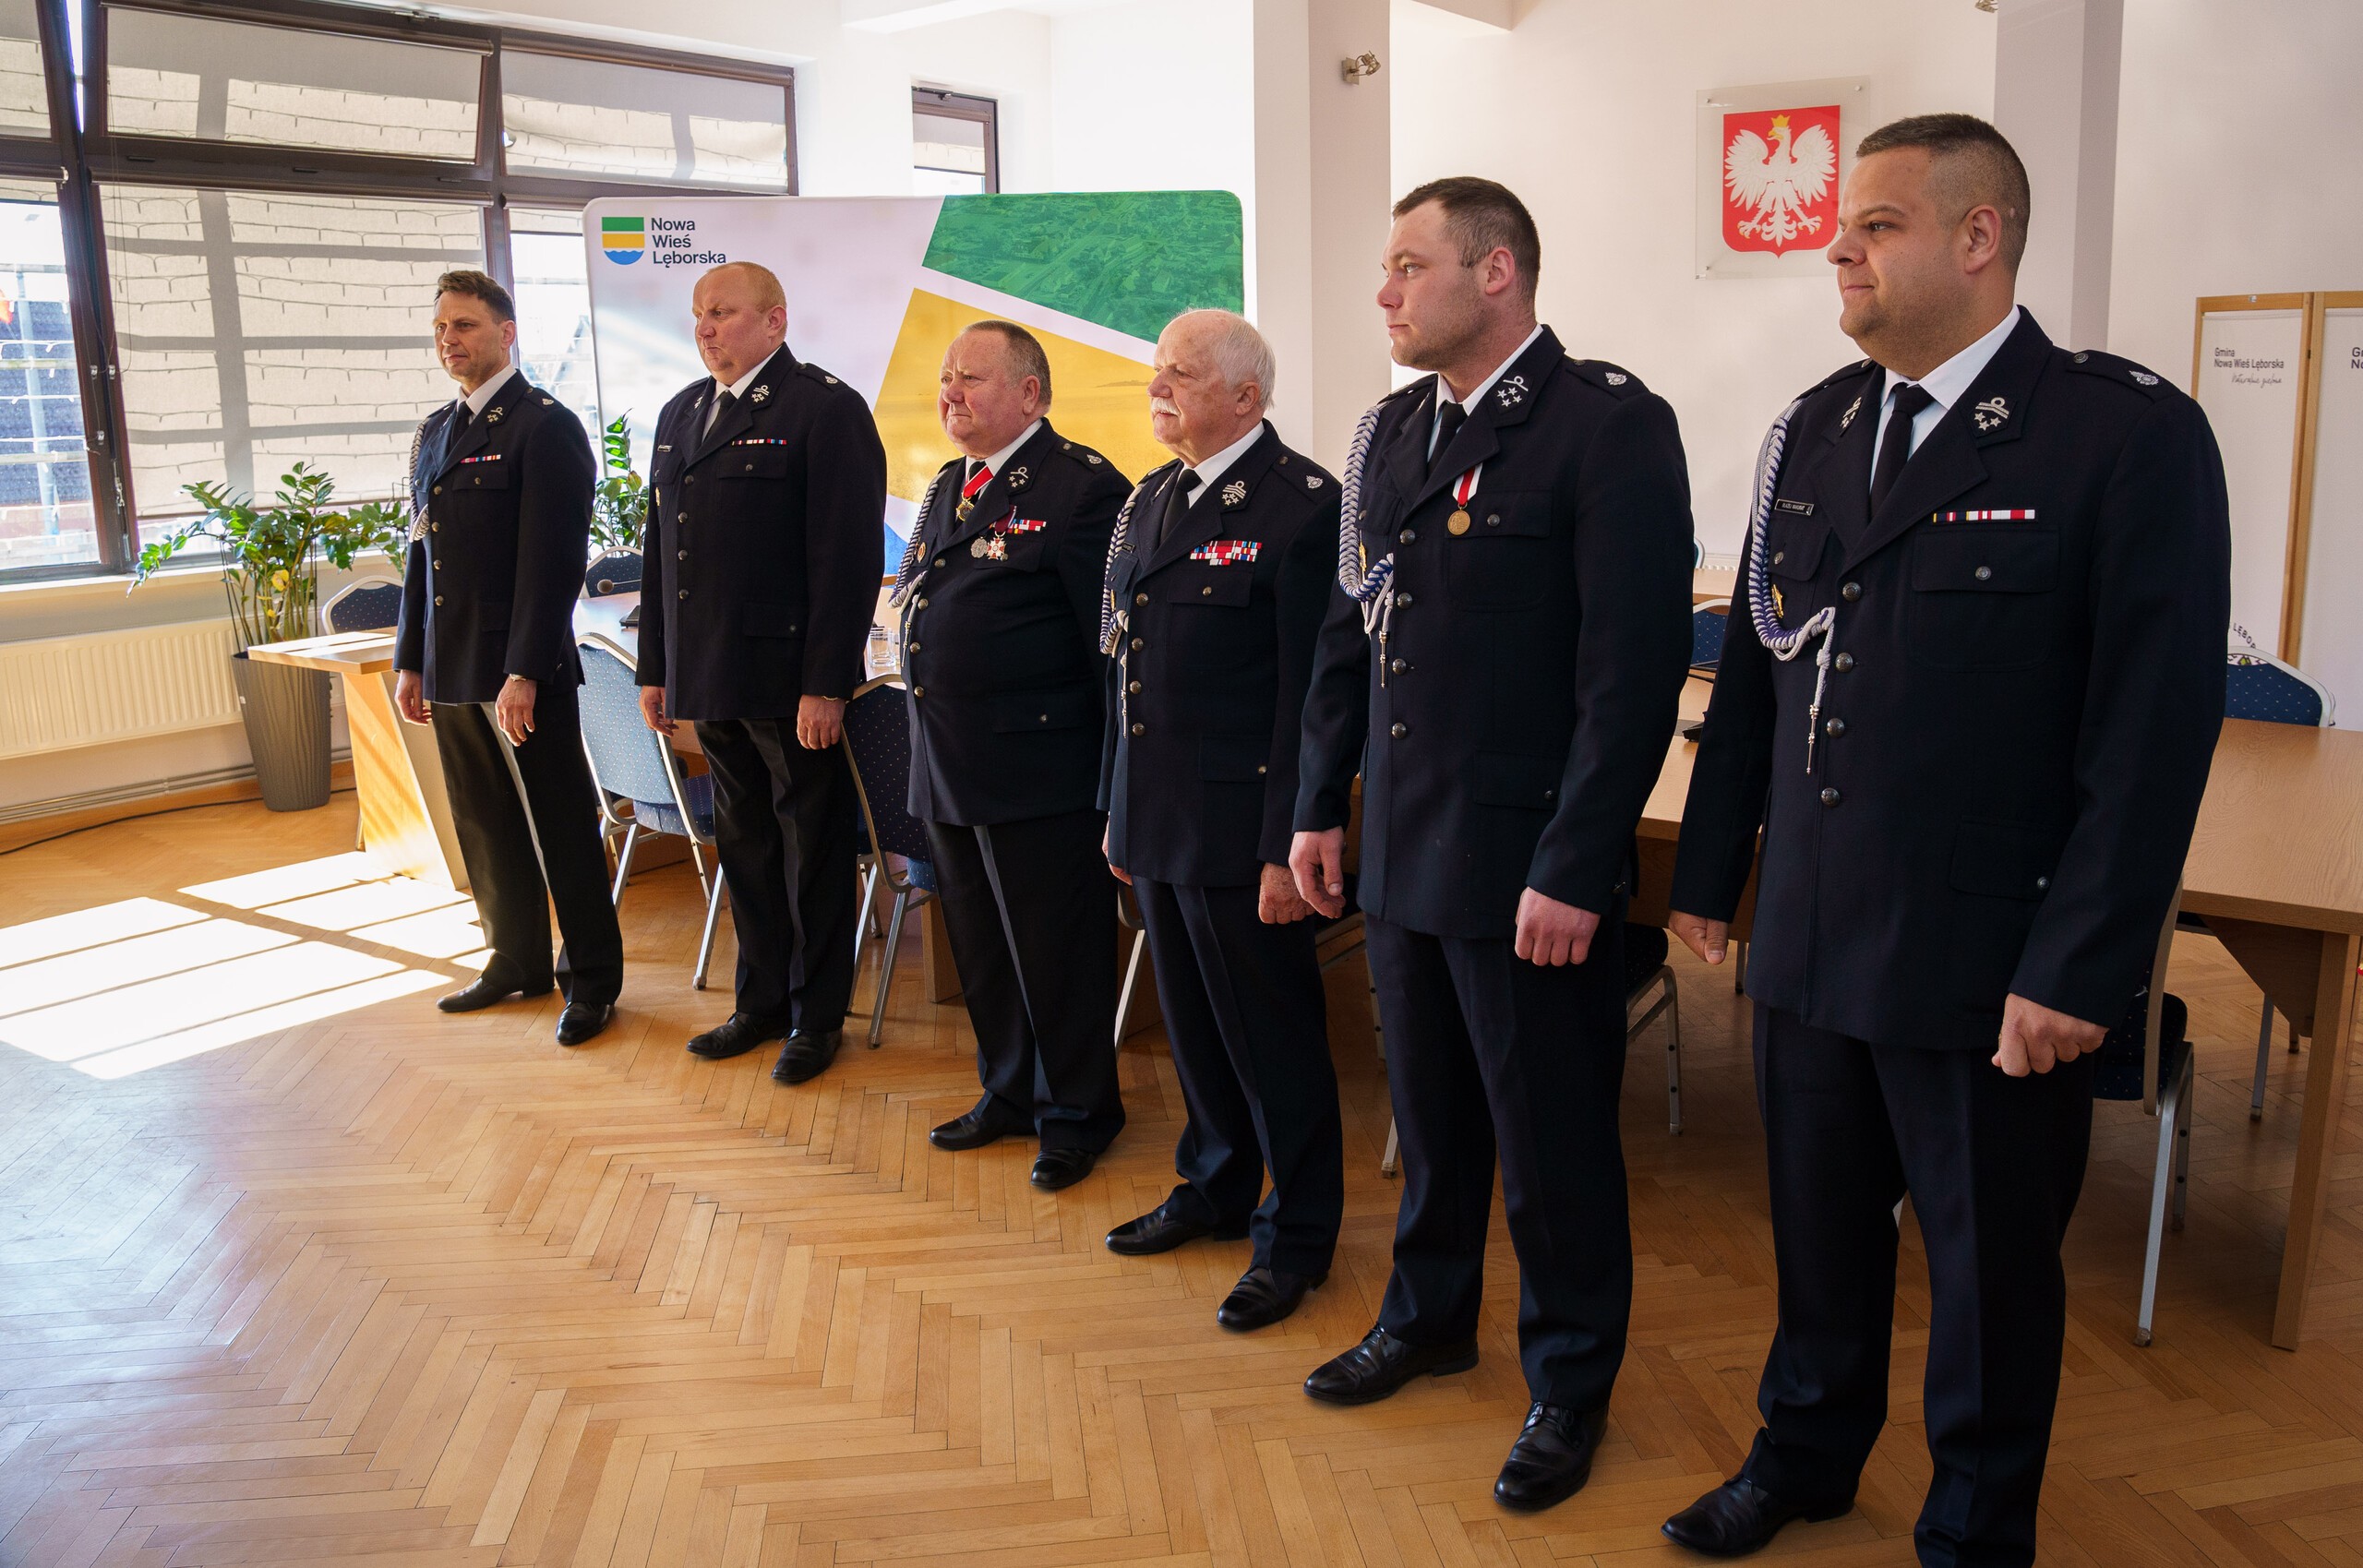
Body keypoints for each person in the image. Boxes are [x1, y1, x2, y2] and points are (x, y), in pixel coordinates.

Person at [1661, 114, 2229, 1565]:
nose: (1837, 249)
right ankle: (1805, 1452)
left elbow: (2151, 738)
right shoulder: (1818, 425)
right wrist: (1712, 874)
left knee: (1987, 1276)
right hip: (1811, 929)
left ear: (1979, 238)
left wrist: (2082, 967)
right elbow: (1760, 672)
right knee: (1818, 1234)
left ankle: (1975, 1524)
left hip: (1991, 951)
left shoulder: (2120, 434)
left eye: (1878, 223)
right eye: (1840, 224)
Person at [1289, 178, 1694, 1509]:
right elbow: (1350, 637)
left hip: (1527, 866)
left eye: (1410, 265)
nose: (1385, 292)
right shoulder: (1391, 433)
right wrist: (1317, 804)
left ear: (1497, 272)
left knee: (1553, 1142)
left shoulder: (1605, 427)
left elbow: (1627, 678)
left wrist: (1577, 863)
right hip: (1405, 847)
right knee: (1433, 1117)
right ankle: (1428, 1315)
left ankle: (1569, 1379)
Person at [1098, 308, 1345, 1332]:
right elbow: (1123, 667)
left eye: (1183, 374)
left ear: (1247, 397)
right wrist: (1116, 808)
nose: (1159, 388)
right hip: (1157, 818)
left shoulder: (1303, 507)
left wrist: (1287, 844)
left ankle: (1298, 1233)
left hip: (1245, 829)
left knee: (1272, 1040)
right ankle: (1214, 1182)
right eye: (1157, 370)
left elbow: (1311, 698)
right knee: (1195, 1028)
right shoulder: (1154, 496)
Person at [635, 261, 886, 1084]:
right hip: (709, 671)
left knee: (811, 851)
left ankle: (817, 1018)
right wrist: (655, 665)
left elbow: (846, 559)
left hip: (788, 678)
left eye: (724, 312)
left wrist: (828, 682)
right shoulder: (681, 412)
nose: (705, 328)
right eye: (698, 314)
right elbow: (660, 553)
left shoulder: (824, 409)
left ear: (775, 321)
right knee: (744, 846)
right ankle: (761, 1002)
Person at [895, 321, 1132, 1191]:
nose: (950, 393)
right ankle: (1009, 1090)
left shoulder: (1082, 489)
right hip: (950, 758)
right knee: (983, 946)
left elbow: (1110, 651)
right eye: (945, 378)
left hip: (1040, 771)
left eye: (971, 378)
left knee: (1055, 953)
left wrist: (1112, 783)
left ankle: (1078, 1112)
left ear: (1029, 394)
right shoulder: (950, 482)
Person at [393, 269, 622, 1048]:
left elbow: (554, 564)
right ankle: (513, 957)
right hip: (453, 663)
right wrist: (411, 659)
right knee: (485, 822)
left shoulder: (544, 427)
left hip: (523, 671)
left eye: (464, 325)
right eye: (440, 329)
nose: (449, 341)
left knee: (561, 825)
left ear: (505, 333)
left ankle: (591, 980)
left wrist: (525, 669)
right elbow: (420, 554)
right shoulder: (435, 432)